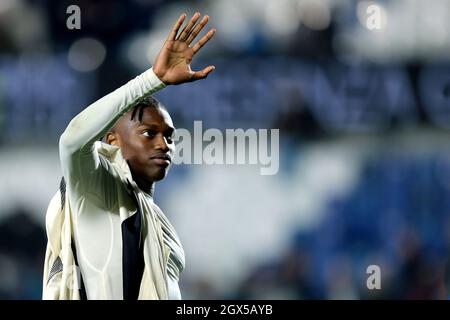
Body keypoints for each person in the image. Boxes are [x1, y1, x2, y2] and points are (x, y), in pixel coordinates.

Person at [42, 12, 216, 300]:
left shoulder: (154, 218)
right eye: (149, 133)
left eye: (168, 136)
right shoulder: (98, 191)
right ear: (112, 141)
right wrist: (153, 79)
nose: (164, 145)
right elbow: (72, 141)